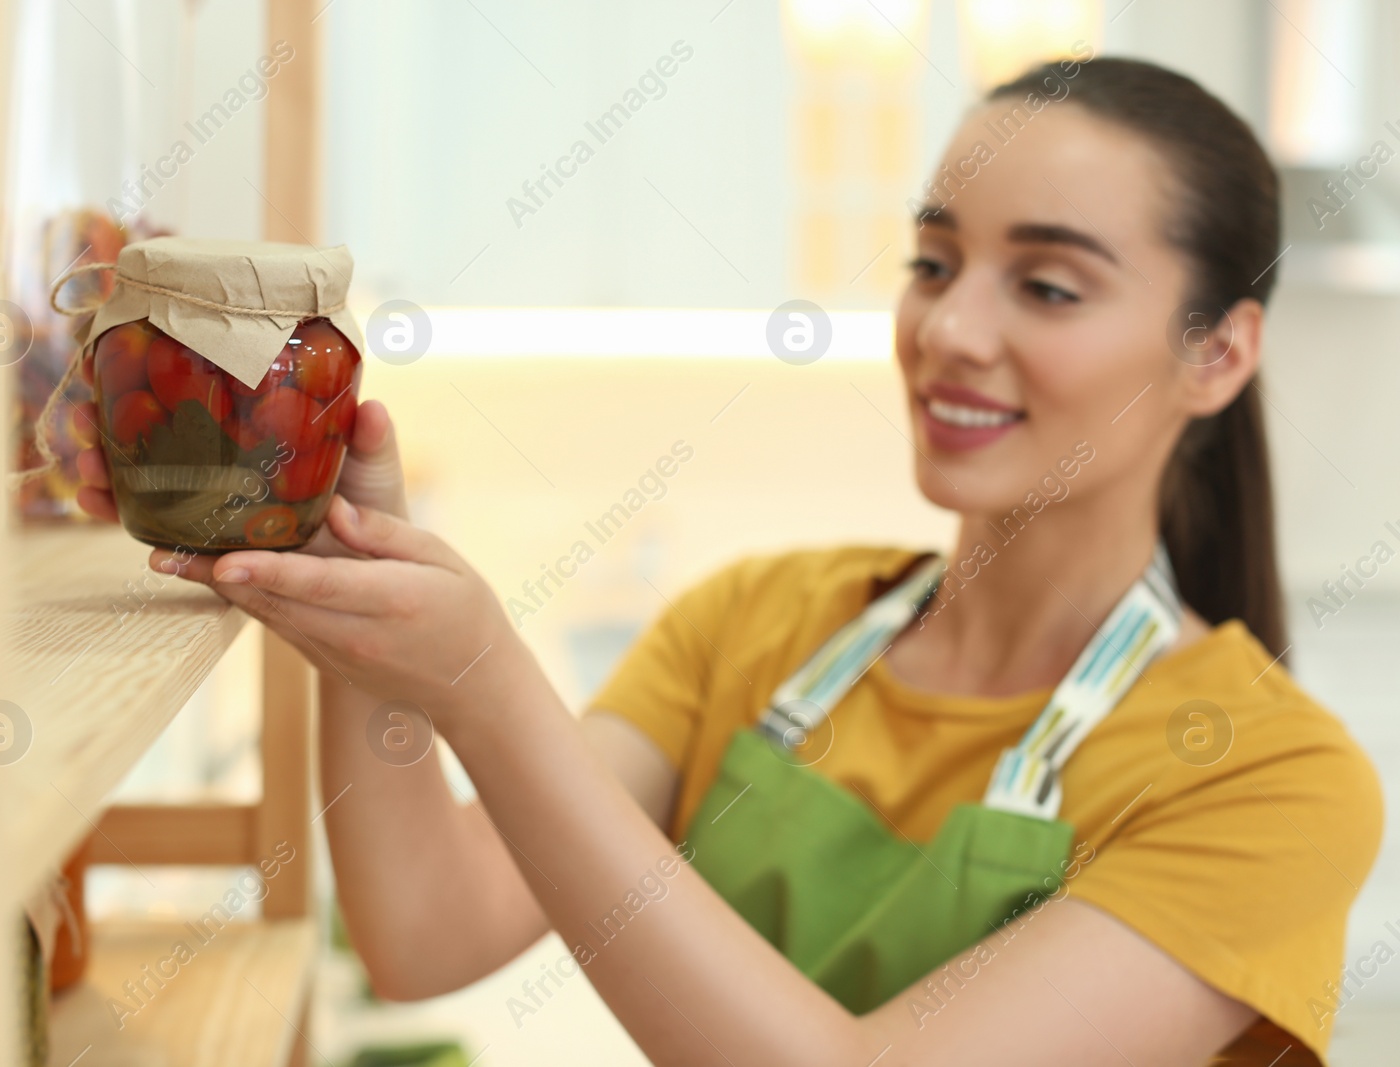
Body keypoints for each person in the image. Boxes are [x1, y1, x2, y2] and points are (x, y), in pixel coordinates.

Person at [77, 57, 1380, 1066]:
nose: (950, 329)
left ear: (1219, 352)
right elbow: (427, 929)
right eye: (933, 262)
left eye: (1046, 286)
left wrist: (485, 681)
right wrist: (356, 595)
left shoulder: (1272, 786)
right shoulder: (764, 622)